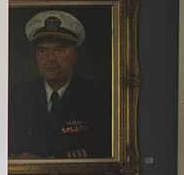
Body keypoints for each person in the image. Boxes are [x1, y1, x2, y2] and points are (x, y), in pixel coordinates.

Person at [8, 9, 110, 159]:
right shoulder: (20, 94)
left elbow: (103, 151)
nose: (50, 59)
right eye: (42, 50)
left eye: (59, 50)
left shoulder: (96, 97)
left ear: (75, 55)